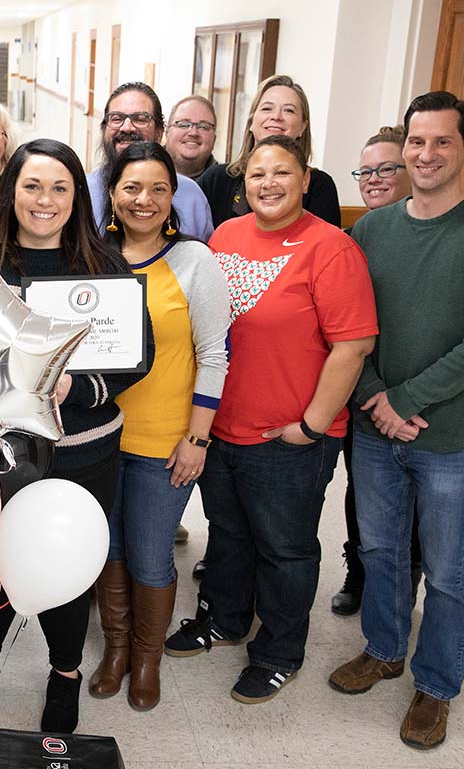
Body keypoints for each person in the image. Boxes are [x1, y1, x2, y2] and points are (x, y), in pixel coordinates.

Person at [0, 138, 154, 735]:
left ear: (77, 195)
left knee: (69, 568)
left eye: (60, 187)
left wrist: (73, 387)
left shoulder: (103, 266)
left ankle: (65, 672)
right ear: (10, 192)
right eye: (31, 186)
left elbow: (138, 358)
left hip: (84, 453)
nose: (45, 200)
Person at [328, 92, 464, 750]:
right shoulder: (374, 229)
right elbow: (349, 327)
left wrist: (408, 400)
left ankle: (436, 685)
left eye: (443, 142)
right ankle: (385, 649)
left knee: (446, 569)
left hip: (451, 438)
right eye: (418, 142)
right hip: (375, 426)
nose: (427, 154)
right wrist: (379, 395)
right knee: (380, 550)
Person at [164, 135, 377, 705]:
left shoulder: (330, 248)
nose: (268, 184)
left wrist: (309, 425)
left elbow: (352, 347)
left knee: (285, 550)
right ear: (243, 183)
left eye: (282, 173)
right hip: (221, 426)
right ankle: (225, 622)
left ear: (306, 179)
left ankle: (280, 652)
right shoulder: (226, 237)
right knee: (228, 536)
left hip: (289, 436)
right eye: (257, 174)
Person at [91, 142, 230, 710]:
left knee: (150, 554)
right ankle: (116, 649)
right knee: (110, 550)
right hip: (99, 437)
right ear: (113, 195)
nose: (143, 200)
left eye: (157, 188)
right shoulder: (95, 258)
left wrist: (197, 438)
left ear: (174, 196)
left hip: (165, 442)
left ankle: (147, 657)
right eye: (131, 188)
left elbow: (215, 356)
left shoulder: (194, 261)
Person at [331, 125, 420, 617]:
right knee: (362, 491)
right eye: (366, 171)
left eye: (387, 168)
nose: (375, 179)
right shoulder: (358, 236)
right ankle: (360, 572)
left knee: (417, 506)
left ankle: (407, 581)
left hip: (420, 401)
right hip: (364, 390)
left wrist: (404, 400)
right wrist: (373, 395)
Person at [197, 75, 341, 229]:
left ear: (302, 127)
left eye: (289, 110)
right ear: (251, 122)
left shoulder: (319, 185)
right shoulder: (216, 179)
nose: (276, 117)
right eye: (267, 108)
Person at [87, 82, 214, 241]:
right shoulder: (83, 192)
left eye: (140, 119)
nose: (127, 128)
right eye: (117, 118)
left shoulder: (191, 197)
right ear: (104, 129)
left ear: (159, 132)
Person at [164, 95, 219, 180]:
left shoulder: (225, 185)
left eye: (203, 127)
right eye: (184, 125)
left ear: (214, 139)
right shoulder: (140, 173)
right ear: (167, 133)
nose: (193, 133)